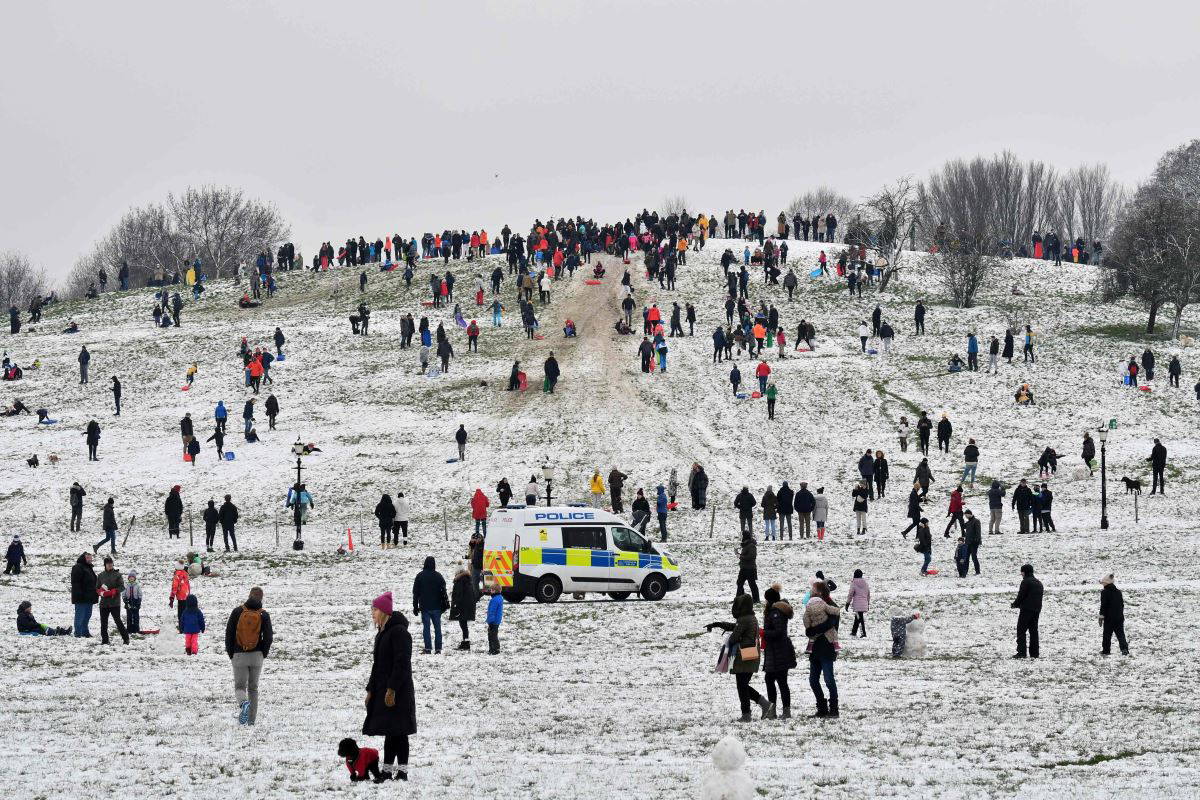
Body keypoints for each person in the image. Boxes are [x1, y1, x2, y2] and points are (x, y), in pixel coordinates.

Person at [363, 592, 416, 781]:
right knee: (390, 731)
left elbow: (402, 663)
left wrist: (392, 689)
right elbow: (377, 665)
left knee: (399, 732)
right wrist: (370, 689)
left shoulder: (399, 632)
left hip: (398, 691)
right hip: (384, 690)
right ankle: (386, 771)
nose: (372, 613)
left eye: (375, 609)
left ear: (384, 611)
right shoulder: (382, 633)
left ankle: (402, 772)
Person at [705, 594, 772, 721]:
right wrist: (719, 624)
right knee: (743, 685)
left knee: (742, 685)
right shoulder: (750, 617)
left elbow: (734, 637)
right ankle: (761, 706)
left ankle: (749, 713)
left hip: (744, 656)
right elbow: (736, 628)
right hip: (750, 656)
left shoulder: (744, 619)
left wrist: (731, 638)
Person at [225, 586, 273, 725]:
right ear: (261, 598)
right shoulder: (264, 615)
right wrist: (263, 652)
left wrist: (231, 653)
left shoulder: (238, 611)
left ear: (249, 595)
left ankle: (243, 703)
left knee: (240, 687)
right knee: (253, 688)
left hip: (239, 654)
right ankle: (251, 720)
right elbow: (268, 637)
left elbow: (229, 634)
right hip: (257, 655)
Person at [803, 581, 840, 718]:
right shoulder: (812, 605)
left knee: (829, 679)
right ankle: (822, 708)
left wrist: (813, 630)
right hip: (815, 647)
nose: (811, 592)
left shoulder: (831, 606)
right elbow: (808, 627)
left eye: (813, 589)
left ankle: (834, 709)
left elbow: (830, 625)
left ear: (820, 592)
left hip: (827, 645)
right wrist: (810, 631)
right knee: (813, 680)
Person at [761, 586, 796, 719]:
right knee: (773, 680)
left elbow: (778, 631)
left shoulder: (776, 612)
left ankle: (780, 711)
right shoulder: (776, 611)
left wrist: (764, 633)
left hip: (778, 652)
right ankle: (775, 710)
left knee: (779, 681)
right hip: (775, 651)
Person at [412, 556, 448, 654]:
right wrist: (445, 605)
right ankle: (438, 649)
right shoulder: (439, 576)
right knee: (437, 628)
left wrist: (415, 607)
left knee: (426, 628)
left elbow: (415, 593)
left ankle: (428, 648)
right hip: (437, 607)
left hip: (425, 607)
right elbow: (444, 592)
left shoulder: (420, 576)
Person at [1011, 564, 1043, 658]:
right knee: (1033, 631)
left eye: (1022, 572)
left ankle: (1021, 652)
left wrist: (1015, 604)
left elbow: (1021, 596)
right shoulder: (1038, 583)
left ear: (1024, 572)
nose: (1021, 574)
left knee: (1021, 630)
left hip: (1026, 609)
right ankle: (1035, 653)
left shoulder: (1025, 582)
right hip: (1036, 610)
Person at [449, 565, 479, 650]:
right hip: (468, 606)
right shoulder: (468, 580)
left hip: (462, 606)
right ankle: (465, 641)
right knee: (464, 625)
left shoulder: (460, 581)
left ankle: (466, 643)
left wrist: (455, 605)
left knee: (463, 625)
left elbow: (458, 595)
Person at [1098, 574, 1129, 656]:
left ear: (1107, 583)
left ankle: (1106, 650)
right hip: (1119, 617)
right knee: (1121, 634)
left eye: (1103, 583)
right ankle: (1124, 649)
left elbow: (1103, 605)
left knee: (1107, 635)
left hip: (1109, 618)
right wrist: (1120, 615)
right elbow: (1122, 605)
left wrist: (1101, 616)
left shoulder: (1104, 592)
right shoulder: (1118, 592)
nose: (1102, 584)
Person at [70, 553, 97, 637]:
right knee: (80, 616)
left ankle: (85, 632)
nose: (90, 559)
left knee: (87, 616)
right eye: (88, 558)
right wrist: (79, 594)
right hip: (81, 597)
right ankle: (78, 633)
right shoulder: (78, 567)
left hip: (89, 597)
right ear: (83, 558)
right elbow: (75, 582)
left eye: (90, 558)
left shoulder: (89, 568)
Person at [735, 531, 759, 602]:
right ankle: (739, 598)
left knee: (752, 584)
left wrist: (740, 556)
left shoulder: (751, 545)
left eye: (742, 536)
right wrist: (738, 554)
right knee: (739, 583)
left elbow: (751, 556)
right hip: (744, 568)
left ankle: (756, 599)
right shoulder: (746, 545)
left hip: (750, 569)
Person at [169, 559, 191, 632]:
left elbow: (174, 587)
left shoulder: (177, 575)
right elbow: (188, 585)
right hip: (186, 596)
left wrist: (172, 597)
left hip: (181, 597)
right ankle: (186, 627)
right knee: (186, 612)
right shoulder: (185, 573)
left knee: (181, 613)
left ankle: (182, 628)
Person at [485, 584, 504, 654]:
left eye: (491, 590)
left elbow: (492, 611)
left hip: (493, 621)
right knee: (493, 635)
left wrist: (490, 621)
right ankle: (492, 649)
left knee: (492, 636)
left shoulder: (494, 600)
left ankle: (495, 649)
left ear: (495, 591)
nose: (490, 591)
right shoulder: (499, 598)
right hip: (496, 621)